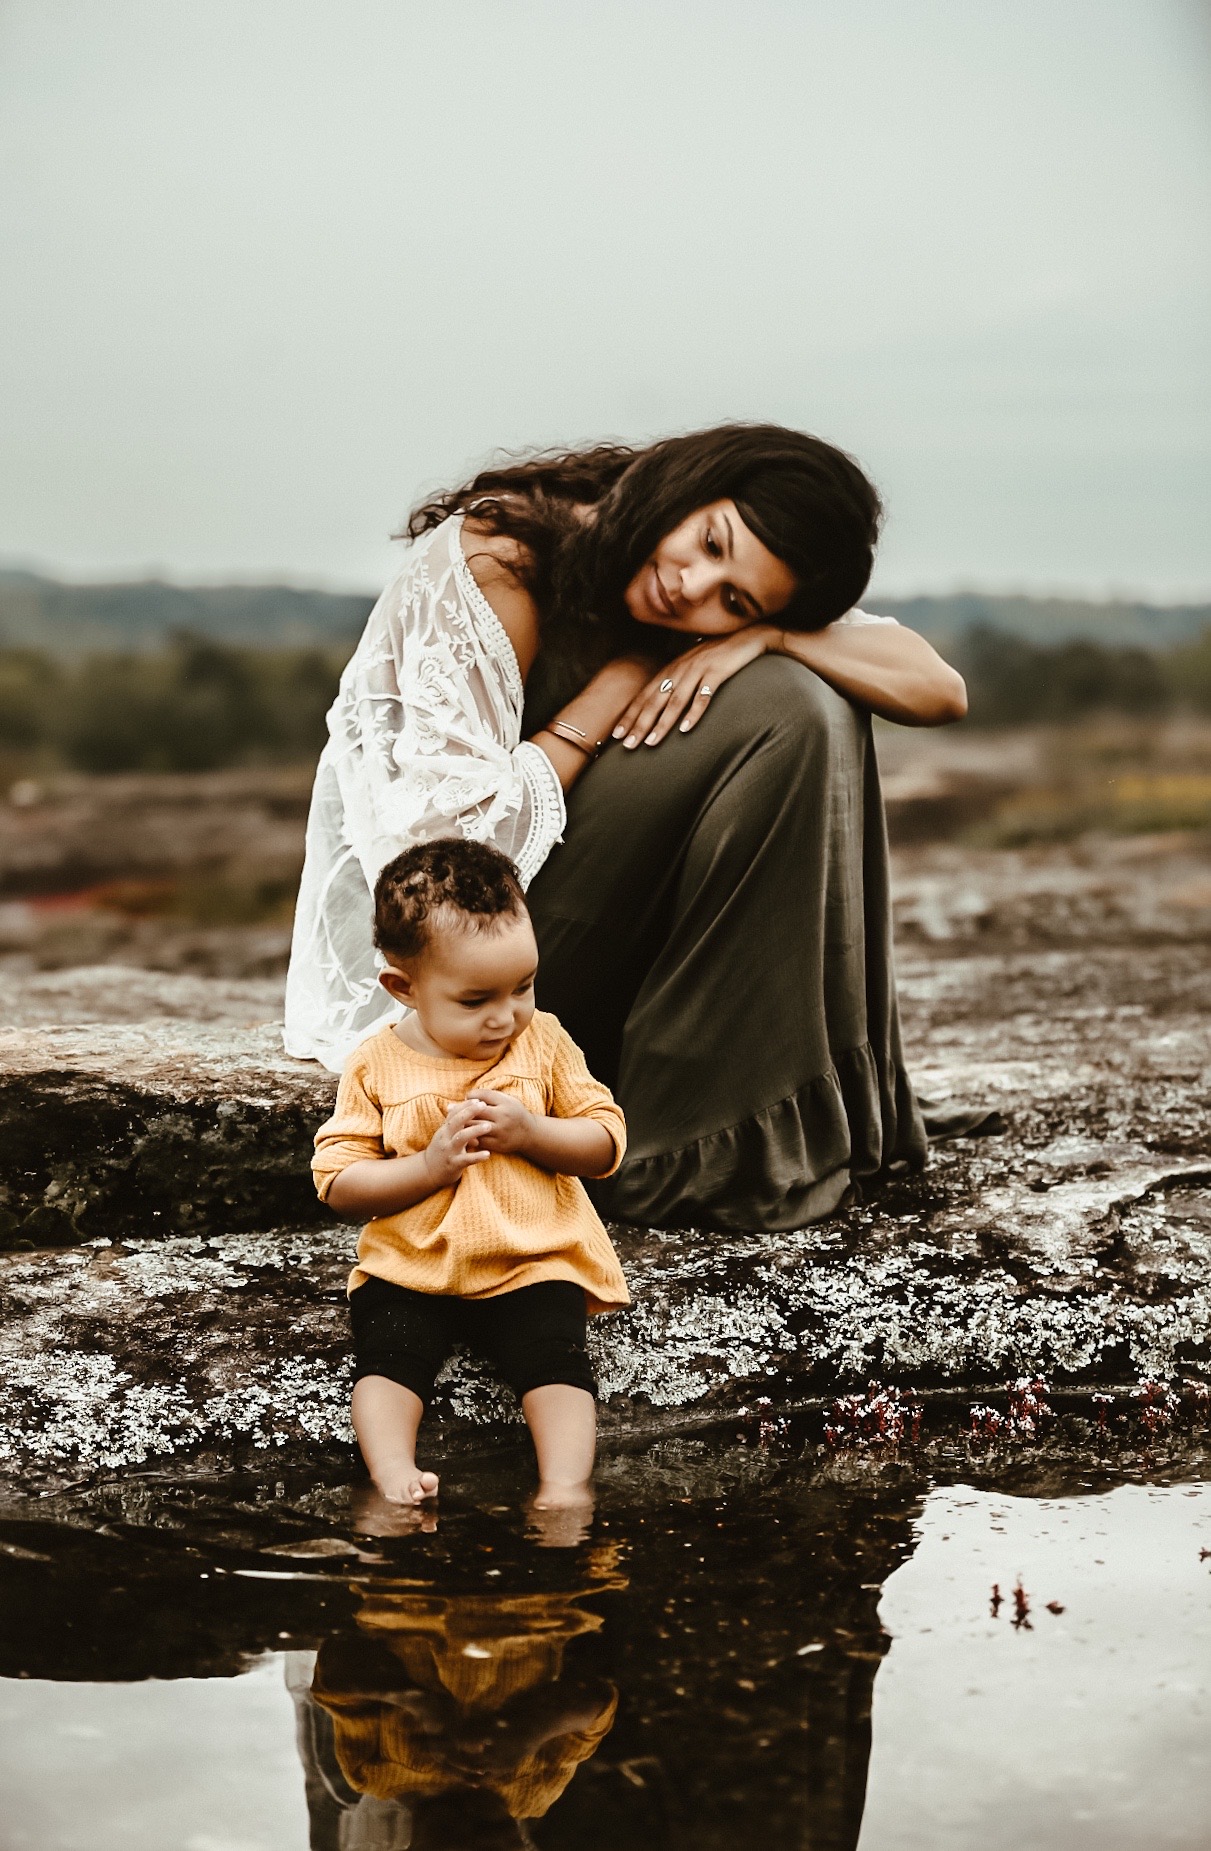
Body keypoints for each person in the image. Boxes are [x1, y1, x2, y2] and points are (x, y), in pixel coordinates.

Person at [286, 422, 967, 1229]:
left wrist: (771, 636)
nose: (693, 588)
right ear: (690, 479)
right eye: (710, 542)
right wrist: (622, 678)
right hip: (467, 970)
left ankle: (771, 1109)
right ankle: (686, 1150)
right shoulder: (496, 560)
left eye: (733, 597)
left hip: (576, 943)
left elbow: (938, 689)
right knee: (790, 709)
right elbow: (449, 861)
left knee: (810, 695)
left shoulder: (721, 602)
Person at [312, 837, 629, 1508]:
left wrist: (532, 1131)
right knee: (389, 1355)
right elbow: (338, 1181)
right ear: (404, 987)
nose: (505, 1013)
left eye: (523, 985)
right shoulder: (375, 1063)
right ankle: (393, 1471)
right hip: (414, 1263)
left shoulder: (541, 1039)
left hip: (528, 1257)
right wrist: (427, 1166)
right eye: (475, 998)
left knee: (557, 1359)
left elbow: (605, 1139)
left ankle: (564, 1486)